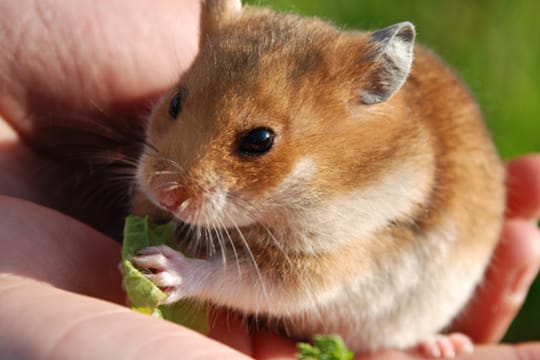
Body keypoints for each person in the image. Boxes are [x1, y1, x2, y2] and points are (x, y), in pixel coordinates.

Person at [0, 1, 539, 358]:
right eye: (178, 105)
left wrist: (199, 276)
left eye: (254, 144)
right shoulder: (224, 53)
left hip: (408, 282)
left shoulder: (353, 182)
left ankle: (417, 342)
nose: (171, 185)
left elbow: (311, 278)